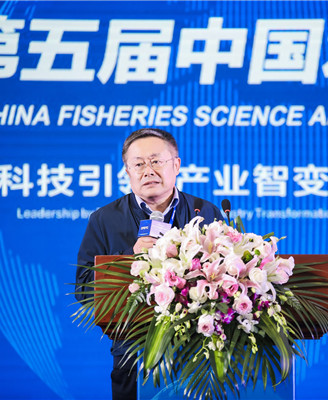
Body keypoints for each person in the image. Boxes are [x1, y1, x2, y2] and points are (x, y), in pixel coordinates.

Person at [75, 128, 224, 400]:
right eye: (139, 164)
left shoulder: (207, 212)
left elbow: (227, 278)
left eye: (156, 161)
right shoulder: (104, 219)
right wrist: (131, 260)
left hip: (200, 356)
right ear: (127, 171)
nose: (148, 171)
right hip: (134, 356)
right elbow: (84, 288)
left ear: (176, 165)